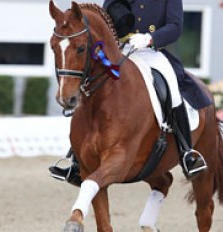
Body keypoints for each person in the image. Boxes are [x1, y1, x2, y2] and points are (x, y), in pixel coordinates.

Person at [49, 0, 212, 185]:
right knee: (92, 90)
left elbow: (175, 27)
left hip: (151, 52)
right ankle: (77, 161)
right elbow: (105, 20)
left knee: (172, 87)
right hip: (119, 51)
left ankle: (186, 152)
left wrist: (150, 38)